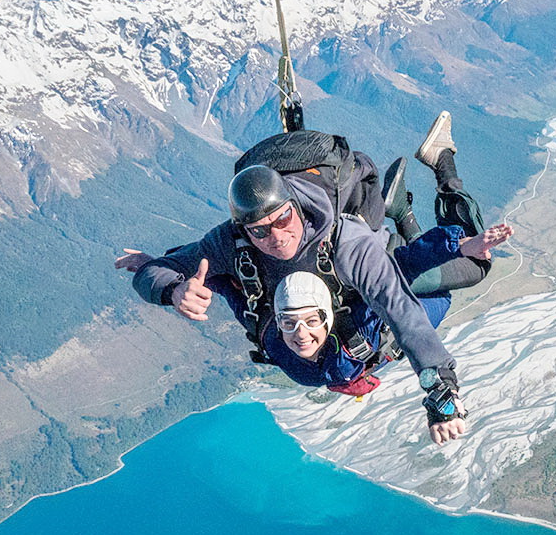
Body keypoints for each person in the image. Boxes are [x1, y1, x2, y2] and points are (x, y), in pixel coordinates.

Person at [118, 112, 497, 444]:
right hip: (356, 312)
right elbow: (159, 269)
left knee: (474, 268)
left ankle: (440, 163)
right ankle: (401, 209)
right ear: (243, 228)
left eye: (283, 219)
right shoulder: (229, 245)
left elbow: (399, 310)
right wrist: (172, 290)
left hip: (386, 264)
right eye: (260, 230)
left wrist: (440, 390)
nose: (277, 237)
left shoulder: (346, 242)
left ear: (295, 207)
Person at [265, 217, 512, 401]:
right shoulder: (295, 364)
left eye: (311, 321)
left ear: (327, 317)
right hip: (392, 312)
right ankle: (408, 217)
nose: (300, 333)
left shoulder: (351, 334)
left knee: (475, 271)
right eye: (289, 323)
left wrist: (461, 246)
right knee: (441, 293)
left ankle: (406, 211)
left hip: (395, 277)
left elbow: (401, 270)